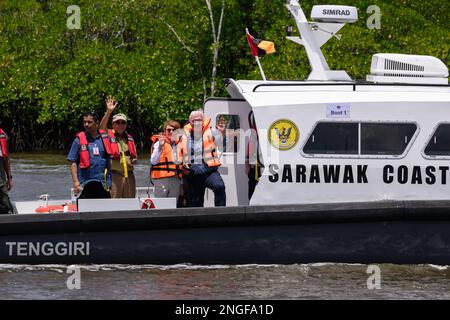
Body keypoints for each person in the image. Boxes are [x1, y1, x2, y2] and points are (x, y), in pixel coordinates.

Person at [179, 110, 226, 207]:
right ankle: (197, 220)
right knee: (195, 203)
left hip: (209, 171)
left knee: (219, 187)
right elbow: (178, 153)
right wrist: (182, 169)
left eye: (199, 120)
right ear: (190, 122)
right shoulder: (183, 135)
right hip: (193, 173)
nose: (197, 123)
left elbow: (222, 144)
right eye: (194, 121)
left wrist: (222, 133)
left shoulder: (212, 132)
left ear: (203, 120)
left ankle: (220, 213)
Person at [67, 111, 112, 201]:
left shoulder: (104, 139)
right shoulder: (78, 140)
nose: (86, 124)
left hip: (102, 183)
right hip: (85, 183)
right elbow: (72, 162)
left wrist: (110, 181)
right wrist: (76, 182)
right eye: (84, 122)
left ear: (97, 123)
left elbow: (109, 162)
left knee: (104, 210)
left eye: (89, 122)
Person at [99, 96, 138, 198]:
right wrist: (109, 112)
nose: (120, 125)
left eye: (123, 122)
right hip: (115, 176)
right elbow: (101, 128)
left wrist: (134, 160)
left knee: (130, 203)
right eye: (117, 122)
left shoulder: (129, 138)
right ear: (113, 124)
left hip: (129, 176)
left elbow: (134, 157)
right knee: (114, 203)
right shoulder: (108, 134)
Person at [150, 120, 182, 201]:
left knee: (173, 204)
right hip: (161, 179)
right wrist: (160, 147)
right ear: (164, 131)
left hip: (176, 178)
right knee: (160, 204)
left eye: (174, 130)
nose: (171, 132)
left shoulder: (181, 144)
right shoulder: (159, 143)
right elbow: (153, 161)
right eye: (169, 130)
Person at [0, 127, 14, 214]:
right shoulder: (1, 135)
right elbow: (5, 158)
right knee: (7, 208)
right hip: (0, 182)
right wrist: (9, 178)